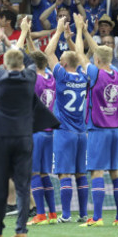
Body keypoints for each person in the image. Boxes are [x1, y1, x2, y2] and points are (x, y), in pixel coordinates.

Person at [0, 17, 49, 237]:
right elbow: (30, 62)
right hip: (24, 137)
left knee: (0, 184)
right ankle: (21, 229)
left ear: (6, 64)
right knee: (22, 184)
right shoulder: (30, 77)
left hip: (2, 138)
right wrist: (14, 43)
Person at [78, 15, 118, 226]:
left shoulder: (96, 74)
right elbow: (98, 52)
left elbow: (80, 55)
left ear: (96, 60)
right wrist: (89, 34)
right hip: (114, 130)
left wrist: (80, 30)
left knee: (96, 171)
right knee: (116, 171)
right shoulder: (116, 73)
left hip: (97, 129)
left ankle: (96, 218)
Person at [45, 16, 90, 224]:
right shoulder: (82, 77)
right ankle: (82, 214)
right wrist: (73, 37)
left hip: (65, 132)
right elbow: (80, 56)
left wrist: (57, 31)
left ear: (62, 64)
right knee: (81, 174)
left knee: (64, 174)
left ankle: (66, 215)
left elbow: (47, 53)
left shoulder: (61, 76)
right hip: (82, 133)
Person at [28, 50, 58, 225]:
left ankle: (40, 215)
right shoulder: (51, 78)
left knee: (33, 172)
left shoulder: (34, 80)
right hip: (49, 132)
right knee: (44, 172)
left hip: (35, 131)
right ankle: (53, 214)